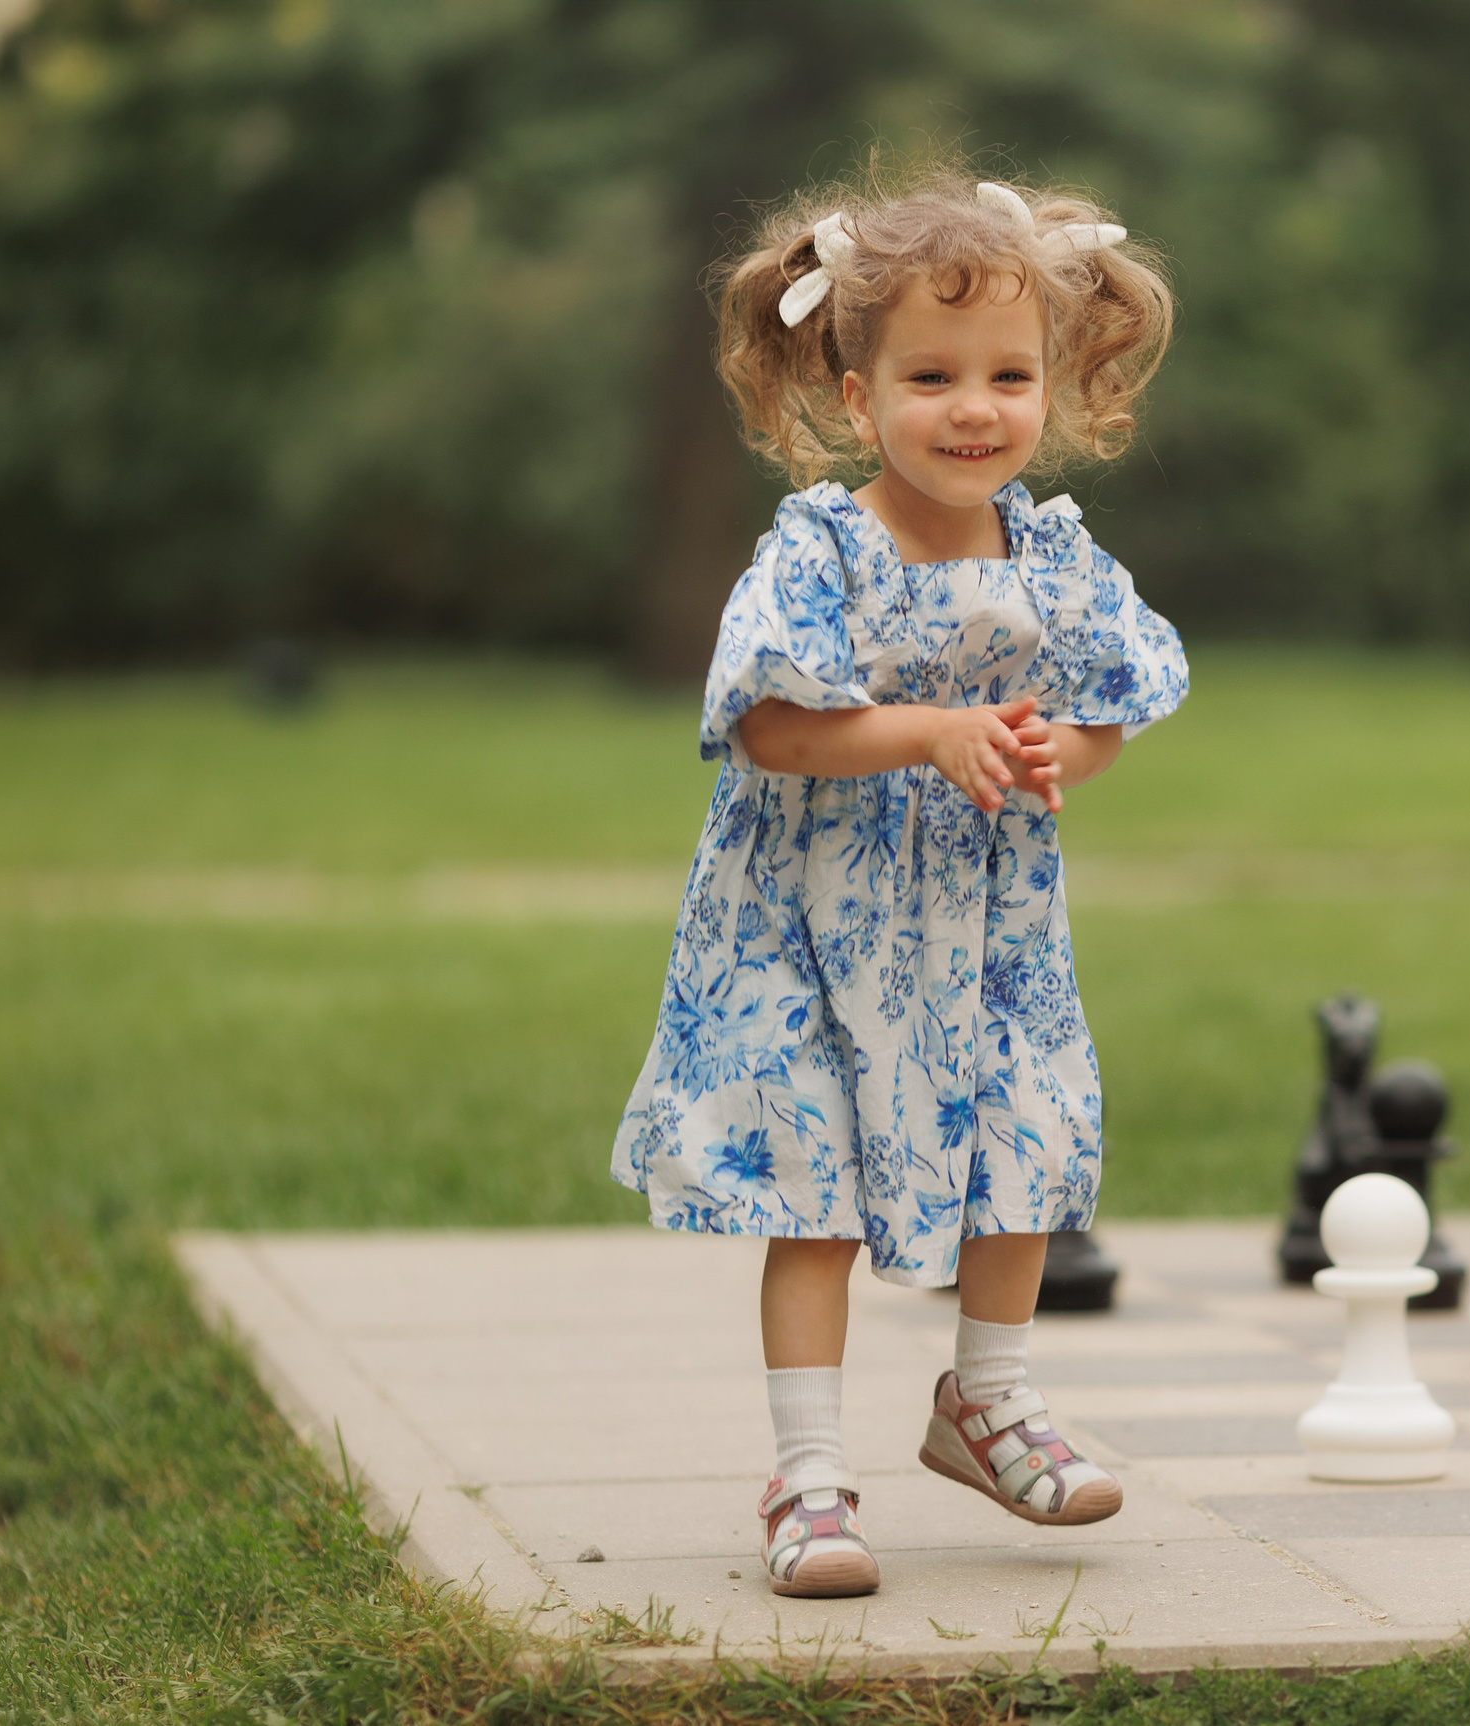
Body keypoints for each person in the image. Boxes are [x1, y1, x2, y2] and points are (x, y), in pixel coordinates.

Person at [609, 170, 1185, 1600]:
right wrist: (929, 732)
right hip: (811, 922)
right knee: (818, 1194)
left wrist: (1064, 749)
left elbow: (1120, 697)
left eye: (1007, 374)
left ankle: (984, 1400)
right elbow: (766, 723)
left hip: (985, 928)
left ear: (1054, 385)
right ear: (859, 399)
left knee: (1026, 1145)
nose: (973, 406)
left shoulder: (1053, 555)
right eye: (931, 376)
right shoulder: (821, 550)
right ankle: (808, 1478)